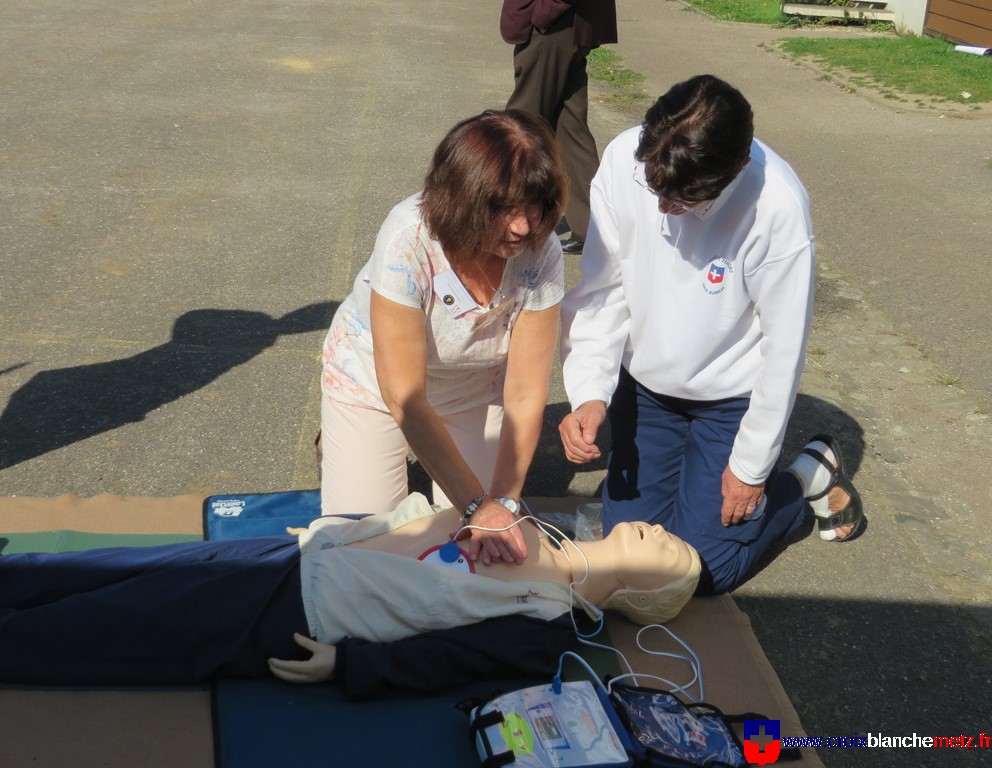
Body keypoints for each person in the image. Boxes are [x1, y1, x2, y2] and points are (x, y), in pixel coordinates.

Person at [558, 75, 865, 595]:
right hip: (648, 389)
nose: (662, 210)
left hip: (730, 400)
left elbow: (782, 351)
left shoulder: (778, 207)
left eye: (683, 202)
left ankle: (800, 479)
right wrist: (589, 392)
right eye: (655, 190)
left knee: (699, 571)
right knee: (633, 555)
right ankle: (720, 489)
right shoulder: (621, 161)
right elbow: (603, 289)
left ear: (738, 168)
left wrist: (749, 468)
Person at [0, 494, 701, 700]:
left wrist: (348, 668)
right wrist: (354, 528)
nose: (654, 530)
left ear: (647, 591)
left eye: (664, 549)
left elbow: (446, 661)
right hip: (298, 555)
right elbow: (430, 522)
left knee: (103, 626)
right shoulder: (533, 519)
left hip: (295, 617)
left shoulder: (545, 626)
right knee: (105, 572)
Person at [319, 109, 567, 568]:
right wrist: (477, 504)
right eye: (503, 208)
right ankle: (347, 439)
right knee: (367, 551)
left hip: (471, 390)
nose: (522, 226)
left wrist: (503, 505)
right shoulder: (407, 238)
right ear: (461, 198)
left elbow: (528, 392)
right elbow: (404, 394)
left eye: (535, 204)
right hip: (376, 387)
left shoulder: (542, 251)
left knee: (478, 549)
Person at [500, 0, 618, 253]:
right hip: (566, 24)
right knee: (570, 130)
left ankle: (497, 211)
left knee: (518, 129)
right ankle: (595, 227)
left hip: (554, 25)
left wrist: (545, 12)